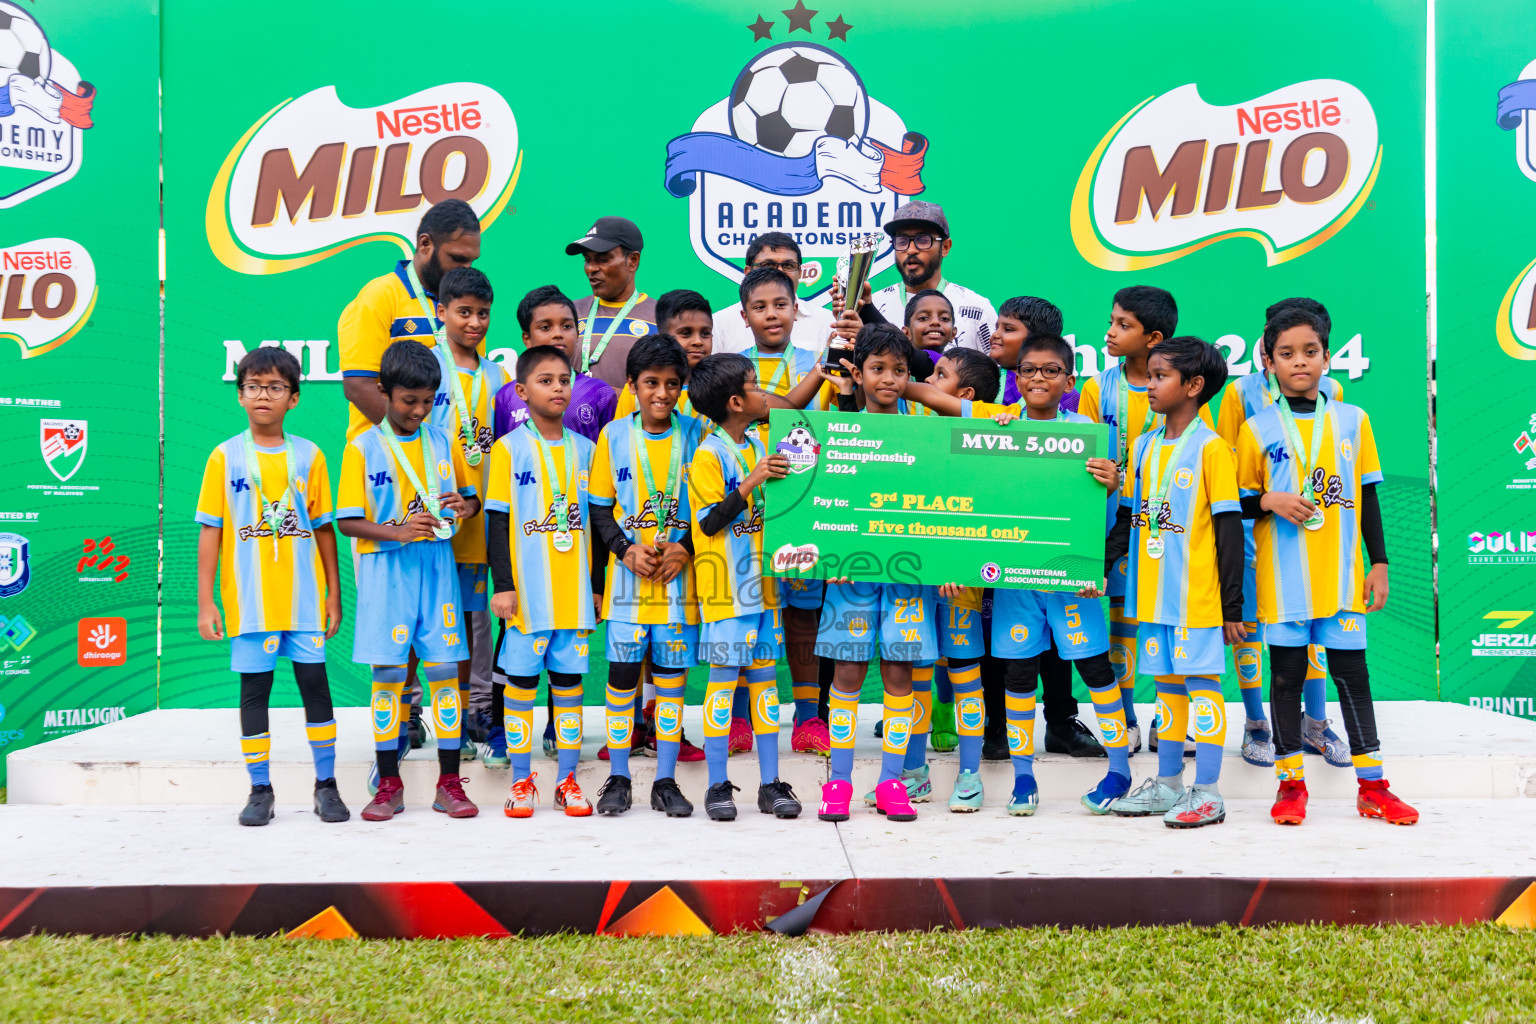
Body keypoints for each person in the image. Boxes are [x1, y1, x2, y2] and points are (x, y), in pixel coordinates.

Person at [905, 337, 1132, 813]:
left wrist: (1114, 490)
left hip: (1073, 578)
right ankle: (1023, 779)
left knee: (1094, 669)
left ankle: (1119, 770)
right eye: (1028, 370)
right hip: (1015, 582)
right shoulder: (1000, 424)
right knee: (1019, 673)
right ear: (1016, 378)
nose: (1037, 379)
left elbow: (1112, 514)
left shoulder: (1090, 433)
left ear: (1070, 381)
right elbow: (967, 494)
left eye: (1051, 371)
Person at [1235, 307, 1417, 827]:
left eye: (1310, 352)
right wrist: (1269, 499)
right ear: (1268, 361)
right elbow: (1239, 502)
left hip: (1339, 576)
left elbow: (1367, 494)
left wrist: (1378, 561)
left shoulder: (1353, 421)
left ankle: (1374, 788)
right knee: (1287, 677)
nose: (1300, 363)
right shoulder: (1257, 427)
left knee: (1352, 677)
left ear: (1327, 358)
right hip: (1284, 578)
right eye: (1287, 354)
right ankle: (1291, 786)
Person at [196, 347, 348, 827]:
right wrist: (206, 602)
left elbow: (324, 528)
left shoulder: (310, 455)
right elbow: (211, 531)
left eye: (276, 387)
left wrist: (333, 592)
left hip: (303, 601)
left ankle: (326, 786)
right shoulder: (224, 457)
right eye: (254, 386)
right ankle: (260, 789)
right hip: (249, 603)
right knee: (254, 694)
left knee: (316, 691)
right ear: (240, 395)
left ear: (294, 398)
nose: (264, 395)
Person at [1103, 337, 1241, 829]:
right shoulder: (1142, 445)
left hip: (1198, 598)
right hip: (1153, 596)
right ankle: (1167, 785)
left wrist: (1233, 607)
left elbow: (1228, 531)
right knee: (1165, 690)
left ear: (1194, 386)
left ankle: (1208, 792)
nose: (1149, 386)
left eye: (1160, 376)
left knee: (1203, 688)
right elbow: (1133, 514)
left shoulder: (1213, 450)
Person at [337, 341, 479, 822]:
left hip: (437, 575)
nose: (419, 411)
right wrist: (398, 532)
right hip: (386, 577)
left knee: (444, 680)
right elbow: (348, 521)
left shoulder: (442, 441)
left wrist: (465, 506)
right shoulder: (361, 448)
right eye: (408, 401)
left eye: (427, 401)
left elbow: (467, 499)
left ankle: (449, 783)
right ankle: (388, 784)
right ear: (384, 392)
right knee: (389, 680)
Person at [1215, 296, 1350, 771]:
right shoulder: (1241, 394)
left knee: (1311, 633)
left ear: (1322, 349)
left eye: (1308, 346)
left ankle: (1315, 724)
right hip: (1255, 538)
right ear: (1267, 347)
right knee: (1249, 632)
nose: (1296, 357)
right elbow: (1227, 469)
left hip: (1313, 537)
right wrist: (1261, 505)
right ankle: (1256, 725)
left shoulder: (1331, 390)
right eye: (1280, 343)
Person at [815, 325, 939, 824]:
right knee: (847, 672)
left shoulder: (928, 431)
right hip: (852, 575)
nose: (889, 379)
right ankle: (838, 784)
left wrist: (947, 564)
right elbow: (820, 503)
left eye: (900, 370)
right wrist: (828, 556)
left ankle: (892, 782)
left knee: (899, 672)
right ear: (858, 374)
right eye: (878, 369)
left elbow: (945, 505)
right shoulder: (835, 430)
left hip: (910, 576)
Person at [1079, 285, 1208, 753]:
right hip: (1115, 524)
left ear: (1153, 337)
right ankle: (1128, 719)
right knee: (1122, 621)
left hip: (1168, 525)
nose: (1110, 332)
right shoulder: (1098, 388)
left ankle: (1172, 721)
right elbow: (1083, 452)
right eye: (1111, 321)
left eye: (1123, 325)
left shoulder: (1184, 385)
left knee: (1171, 619)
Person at [589, 336, 705, 817]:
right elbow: (597, 509)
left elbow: (714, 506)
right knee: (621, 681)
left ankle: (665, 781)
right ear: (632, 385)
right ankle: (618, 777)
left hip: (678, 588)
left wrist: (687, 547)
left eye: (672, 384)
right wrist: (623, 548)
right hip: (628, 590)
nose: (662, 393)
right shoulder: (614, 436)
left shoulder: (698, 433)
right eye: (651, 383)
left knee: (672, 685)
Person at [686, 353, 803, 822]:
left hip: (763, 590)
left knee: (765, 689)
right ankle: (718, 785)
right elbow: (710, 521)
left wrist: (792, 557)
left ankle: (770, 783)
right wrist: (753, 480)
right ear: (736, 402)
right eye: (755, 386)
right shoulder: (708, 455)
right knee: (721, 687)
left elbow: (779, 512)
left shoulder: (760, 439)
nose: (763, 395)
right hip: (724, 592)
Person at [484, 345, 598, 819]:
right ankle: (521, 781)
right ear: (521, 391)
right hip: (528, 601)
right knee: (522, 690)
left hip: (574, 598)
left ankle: (568, 780)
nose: (558, 388)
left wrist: (596, 583)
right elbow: (496, 523)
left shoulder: (588, 449)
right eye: (546, 380)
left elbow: (601, 524)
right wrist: (504, 585)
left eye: (564, 380)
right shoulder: (508, 449)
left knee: (569, 690)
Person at [427, 267, 508, 766]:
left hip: (481, 520)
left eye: (482, 314)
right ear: (441, 311)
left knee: (477, 622)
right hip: (433, 524)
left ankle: (478, 709)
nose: (475, 322)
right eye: (464, 312)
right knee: (434, 620)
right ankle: (427, 711)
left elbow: (501, 447)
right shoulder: (425, 367)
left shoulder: (499, 376)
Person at [339, 200, 482, 439]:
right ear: (425, 244)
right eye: (457, 259)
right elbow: (359, 387)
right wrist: (416, 439)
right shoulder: (378, 297)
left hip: (444, 459)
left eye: (471, 261)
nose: (465, 269)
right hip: (385, 460)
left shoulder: (464, 306)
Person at [867, 201, 996, 354]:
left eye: (923, 240)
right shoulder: (873, 306)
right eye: (902, 241)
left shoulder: (977, 309)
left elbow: (1000, 374)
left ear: (945, 247)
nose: (911, 250)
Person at [495, 285, 616, 444]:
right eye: (545, 327)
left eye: (567, 326)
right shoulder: (508, 395)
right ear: (527, 339)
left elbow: (610, 458)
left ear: (577, 334)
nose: (558, 334)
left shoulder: (599, 393)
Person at [567, 216, 656, 390]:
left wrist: (607, 398)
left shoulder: (661, 317)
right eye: (587, 259)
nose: (591, 268)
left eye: (603, 259)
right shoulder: (569, 313)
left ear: (633, 260)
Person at [712, 232, 835, 356]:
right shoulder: (718, 324)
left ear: (800, 273)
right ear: (748, 272)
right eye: (769, 265)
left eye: (788, 265)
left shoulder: (828, 321)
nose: (780, 272)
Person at [614, 289, 715, 425]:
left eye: (705, 333)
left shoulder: (722, 388)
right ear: (663, 335)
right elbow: (621, 435)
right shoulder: (637, 390)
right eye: (685, 333)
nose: (698, 341)